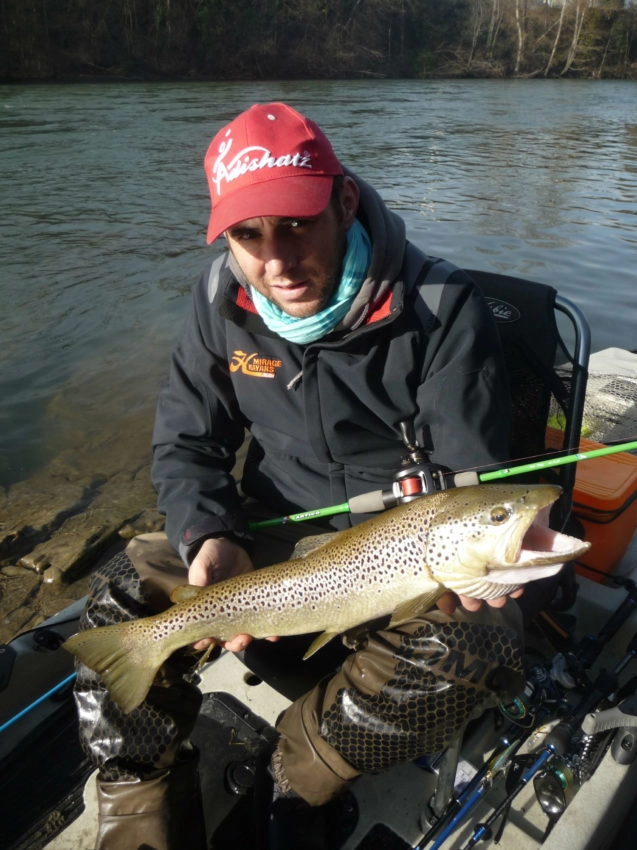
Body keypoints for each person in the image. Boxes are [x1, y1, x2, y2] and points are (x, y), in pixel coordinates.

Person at [74, 102, 525, 850]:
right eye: (247, 235)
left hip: (397, 558)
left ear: (343, 202)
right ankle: (140, 818)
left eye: (294, 224)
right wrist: (208, 533)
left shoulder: (442, 308)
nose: (274, 261)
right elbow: (186, 446)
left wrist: (487, 566)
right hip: (270, 548)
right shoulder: (221, 298)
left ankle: (297, 774)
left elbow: (467, 490)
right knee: (124, 583)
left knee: (481, 640)